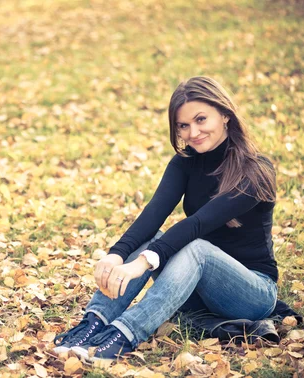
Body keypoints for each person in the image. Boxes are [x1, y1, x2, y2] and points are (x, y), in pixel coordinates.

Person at [52, 76, 279, 361]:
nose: (193, 132)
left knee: (198, 247)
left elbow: (198, 224)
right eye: (183, 125)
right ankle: (94, 323)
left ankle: (124, 334)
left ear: (224, 114)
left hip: (252, 293)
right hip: (194, 285)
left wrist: (143, 263)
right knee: (152, 237)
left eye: (200, 119)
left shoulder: (256, 170)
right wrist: (116, 255)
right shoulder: (184, 163)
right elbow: (152, 216)